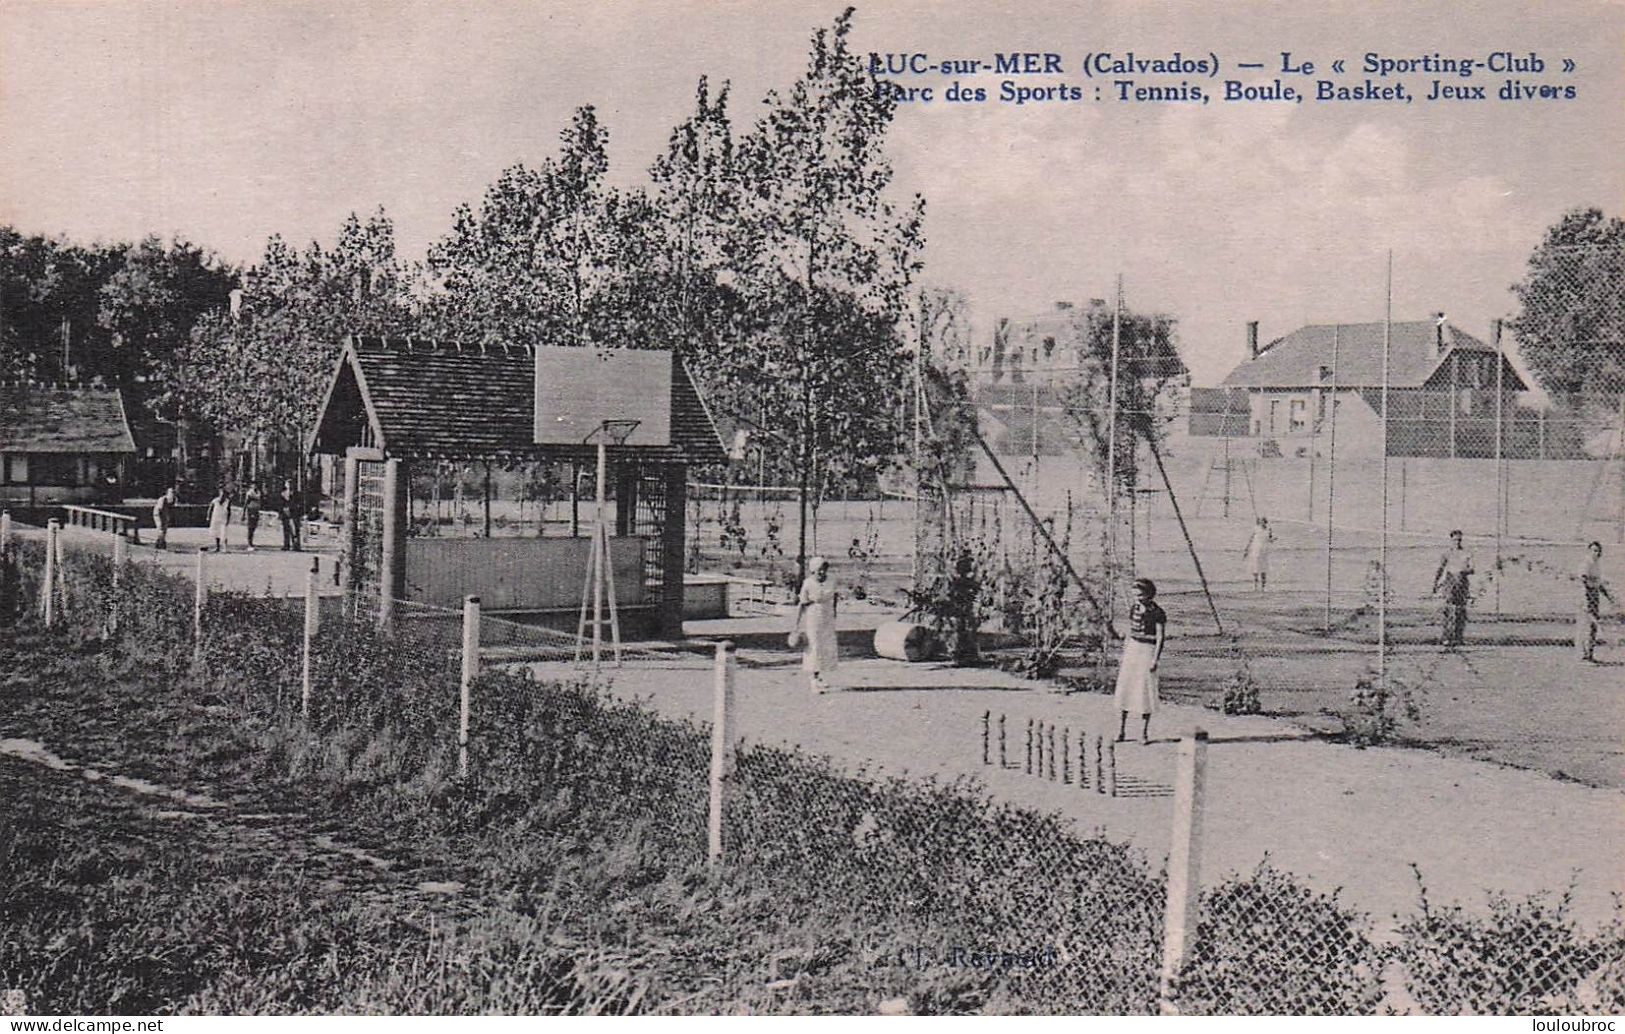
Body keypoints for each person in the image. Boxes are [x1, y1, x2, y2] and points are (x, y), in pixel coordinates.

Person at [1115, 577, 1167, 746]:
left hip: (1147, 651)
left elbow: (1160, 637)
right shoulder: (1134, 609)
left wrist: (1155, 659)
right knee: (1126, 689)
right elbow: (1130, 632)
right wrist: (1124, 652)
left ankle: (1143, 733)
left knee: (1144, 692)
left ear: (1149, 595)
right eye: (1135, 595)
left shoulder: (1157, 613)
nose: (1137, 598)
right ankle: (1121, 730)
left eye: (1140, 595)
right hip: (1133, 650)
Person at [791, 555, 839, 695]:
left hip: (828, 617)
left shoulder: (832, 580)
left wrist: (834, 612)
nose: (822, 572)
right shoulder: (808, 583)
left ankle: (819, 676)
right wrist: (796, 624)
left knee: (826, 647)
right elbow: (802, 604)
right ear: (813, 571)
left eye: (824, 569)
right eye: (819, 570)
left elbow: (835, 597)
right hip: (813, 618)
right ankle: (813, 679)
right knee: (814, 647)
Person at [1431, 530, 1475, 647]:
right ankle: (1446, 637)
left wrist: (1463, 571)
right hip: (1450, 582)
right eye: (1455, 540)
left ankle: (1459, 637)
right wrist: (1435, 583)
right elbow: (1440, 569)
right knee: (1448, 610)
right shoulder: (1447, 554)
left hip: (1462, 582)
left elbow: (1472, 569)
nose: (1457, 542)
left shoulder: (1466, 553)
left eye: (1459, 540)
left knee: (1460, 610)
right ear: (1451, 540)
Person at [1575, 541, 1616, 663]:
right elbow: (1583, 582)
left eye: (1598, 551)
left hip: (1594, 596)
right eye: (1594, 550)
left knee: (1593, 626)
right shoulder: (1586, 564)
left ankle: (1590, 655)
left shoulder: (1596, 564)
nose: (1597, 553)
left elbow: (1599, 584)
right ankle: (1582, 655)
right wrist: (1586, 600)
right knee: (1585, 625)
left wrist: (1609, 598)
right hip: (1585, 597)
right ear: (1589, 551)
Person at [1243, 516, 1274, 591]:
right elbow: (1251, 539)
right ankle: (1255, 586)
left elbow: (1270, 540)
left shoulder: (1269, 529)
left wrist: (1273, 539)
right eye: (1261, 521)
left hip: (1264, 551)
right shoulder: (1256, 529)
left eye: (1263, 521)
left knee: (1264, 569)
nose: (1262, 523)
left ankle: (1263, 587)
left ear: (1265, 522)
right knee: (1255, 568)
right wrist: (1247, 549)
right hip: (1256, 550)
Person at [278, 479, 301, 552]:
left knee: (295, 530)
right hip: (285, 514)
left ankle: (296, 545)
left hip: (294, 514)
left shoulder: (296, 493)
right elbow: (280, 504)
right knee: (286, 530)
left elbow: (299, 503)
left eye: (291, 484)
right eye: (288, 484)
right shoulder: (283, 493)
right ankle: (286, 545)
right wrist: (281, 512)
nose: (289, 485)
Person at [151, 486, 176, 550]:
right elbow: (159, 510)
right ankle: (160, 543)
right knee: (160, 528)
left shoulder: (173, 499)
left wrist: (167, 517)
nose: (172, 494)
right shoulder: (162, 499)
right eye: (171, 492)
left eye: (173, 492)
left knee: (164, 530)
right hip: (158, 514)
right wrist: (162, 519)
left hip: (165, 514)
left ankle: (161, 542)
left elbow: (170, 509)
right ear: (167, 493)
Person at [207, 487, 232, 552]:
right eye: (221, 494)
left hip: (223, 519)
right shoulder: (215, 500)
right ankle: (217, 547)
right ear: (219, 494)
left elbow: (229, 511)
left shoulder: (227, 501)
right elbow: (210, 509)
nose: (222, 496)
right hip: (215, 518)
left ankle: (225, 548)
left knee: (224, 533)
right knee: (216, 533)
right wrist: (208, 517)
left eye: (224, 495)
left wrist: (228, 520)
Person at [243, 484, 262, 551]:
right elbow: (246, 503)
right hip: (251, 510)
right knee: (250, 527)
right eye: (253, 485)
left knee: (254, 526)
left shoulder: (258, 492)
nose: (255, 486)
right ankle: (249, 543)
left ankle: (251, 541)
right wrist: (243, 513)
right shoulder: (250, 493)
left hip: (256, 510)